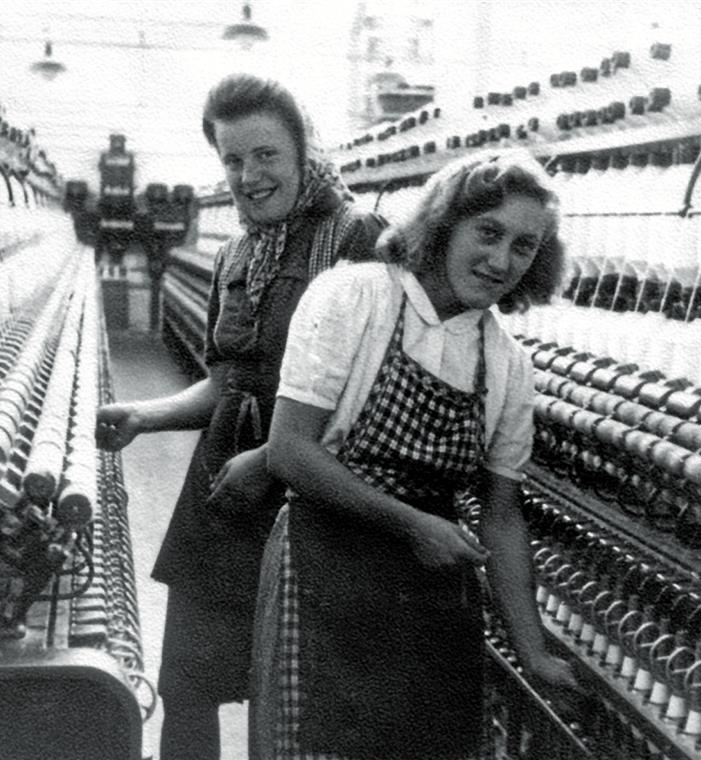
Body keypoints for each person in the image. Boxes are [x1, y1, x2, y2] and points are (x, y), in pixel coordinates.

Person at [252, 149, 580, 759]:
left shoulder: (506, 363)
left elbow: (502, 517)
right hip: (325, 565)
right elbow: (290, 452)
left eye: (524, 246)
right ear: (444, 224)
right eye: (488, 232)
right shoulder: (356, 298)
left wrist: (533, 650)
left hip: (427, 594)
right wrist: (413, 524)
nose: (500, 260)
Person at [95, 73, 385, 760]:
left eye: (265, 155)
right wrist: (147, 413)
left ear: (302, 148)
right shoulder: (236, 251)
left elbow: (375, 387)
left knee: (293, 697)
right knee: (189, 686)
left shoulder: (356, 237)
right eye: (232, 159)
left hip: (311, 496)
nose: (248, 176)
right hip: (221, 496)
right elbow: (227, 382)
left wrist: (270, 458)